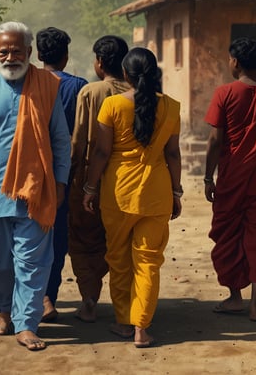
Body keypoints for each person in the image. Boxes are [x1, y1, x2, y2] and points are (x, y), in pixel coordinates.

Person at [0, 21, 71, 351]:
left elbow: (60, 141)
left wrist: (61, 180)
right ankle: (6, 310)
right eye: (4, 52)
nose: (11, 57)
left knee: (32, 263)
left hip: (36, 193)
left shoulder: (47, 86)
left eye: (17, 51)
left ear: (29, 53)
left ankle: (26, 323)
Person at [82, 47, 182, 348]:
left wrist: (89, 187)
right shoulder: (173, 107)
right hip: (157, 192)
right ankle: (142, 327)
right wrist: (176, 192)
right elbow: (173, 154)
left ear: (125, 74)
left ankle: (123, 322)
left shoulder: (112, 105)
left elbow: (100, 152)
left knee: (119, 258)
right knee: (148, 261)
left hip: (118, 192)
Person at [204, 37, 256, 322]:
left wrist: (207, 176)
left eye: (230, 59)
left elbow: (215, 141)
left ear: (236, 62)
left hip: (232, 176)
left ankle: (234, 298)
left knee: (229, 236)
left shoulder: (224, 93)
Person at [68, 35, 130, 323]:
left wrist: (71, 176)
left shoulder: (90, 92)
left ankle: (89, 297)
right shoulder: (138, 92)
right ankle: (126, 303)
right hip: (128, 179)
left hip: (90, 177)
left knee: (81, 239)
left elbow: (79, 140)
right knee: (118, 241)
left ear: (100, 62)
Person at [35, 26, 88, 322]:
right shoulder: (78, 86)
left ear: (39, 55)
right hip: (63, 173)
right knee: (56, 236)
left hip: (28, 170)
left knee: (27, 234)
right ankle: (47, 297)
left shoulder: (26, 84)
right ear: (66, 56)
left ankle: (27, 297)